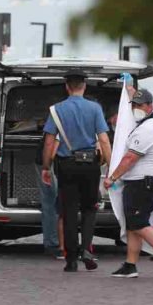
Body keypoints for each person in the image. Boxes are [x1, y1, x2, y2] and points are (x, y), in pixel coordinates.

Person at [104, 77, 153, 279]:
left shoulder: (148, 128)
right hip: (140, 183)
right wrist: (128, 87)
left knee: (138, 223)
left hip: (143, 184)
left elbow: (130, 158)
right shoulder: (148, 121)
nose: (137, 108)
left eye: (141, 105)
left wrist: (111, 178)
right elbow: (133, 98)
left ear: (150, 106)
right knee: (133, 224)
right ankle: (130, 265)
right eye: (135, 105)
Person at [40, 69, 112, 272]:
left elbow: (48, 142)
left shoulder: (56, 110)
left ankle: (70, 259)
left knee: (69, 210)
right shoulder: (95, 108)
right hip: (90, 164)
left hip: (66, 165)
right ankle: (87, 250)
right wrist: (109, 163)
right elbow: (104, 139)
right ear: (84, 86)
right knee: (90, 208)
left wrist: (46, 166)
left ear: (67, 87)